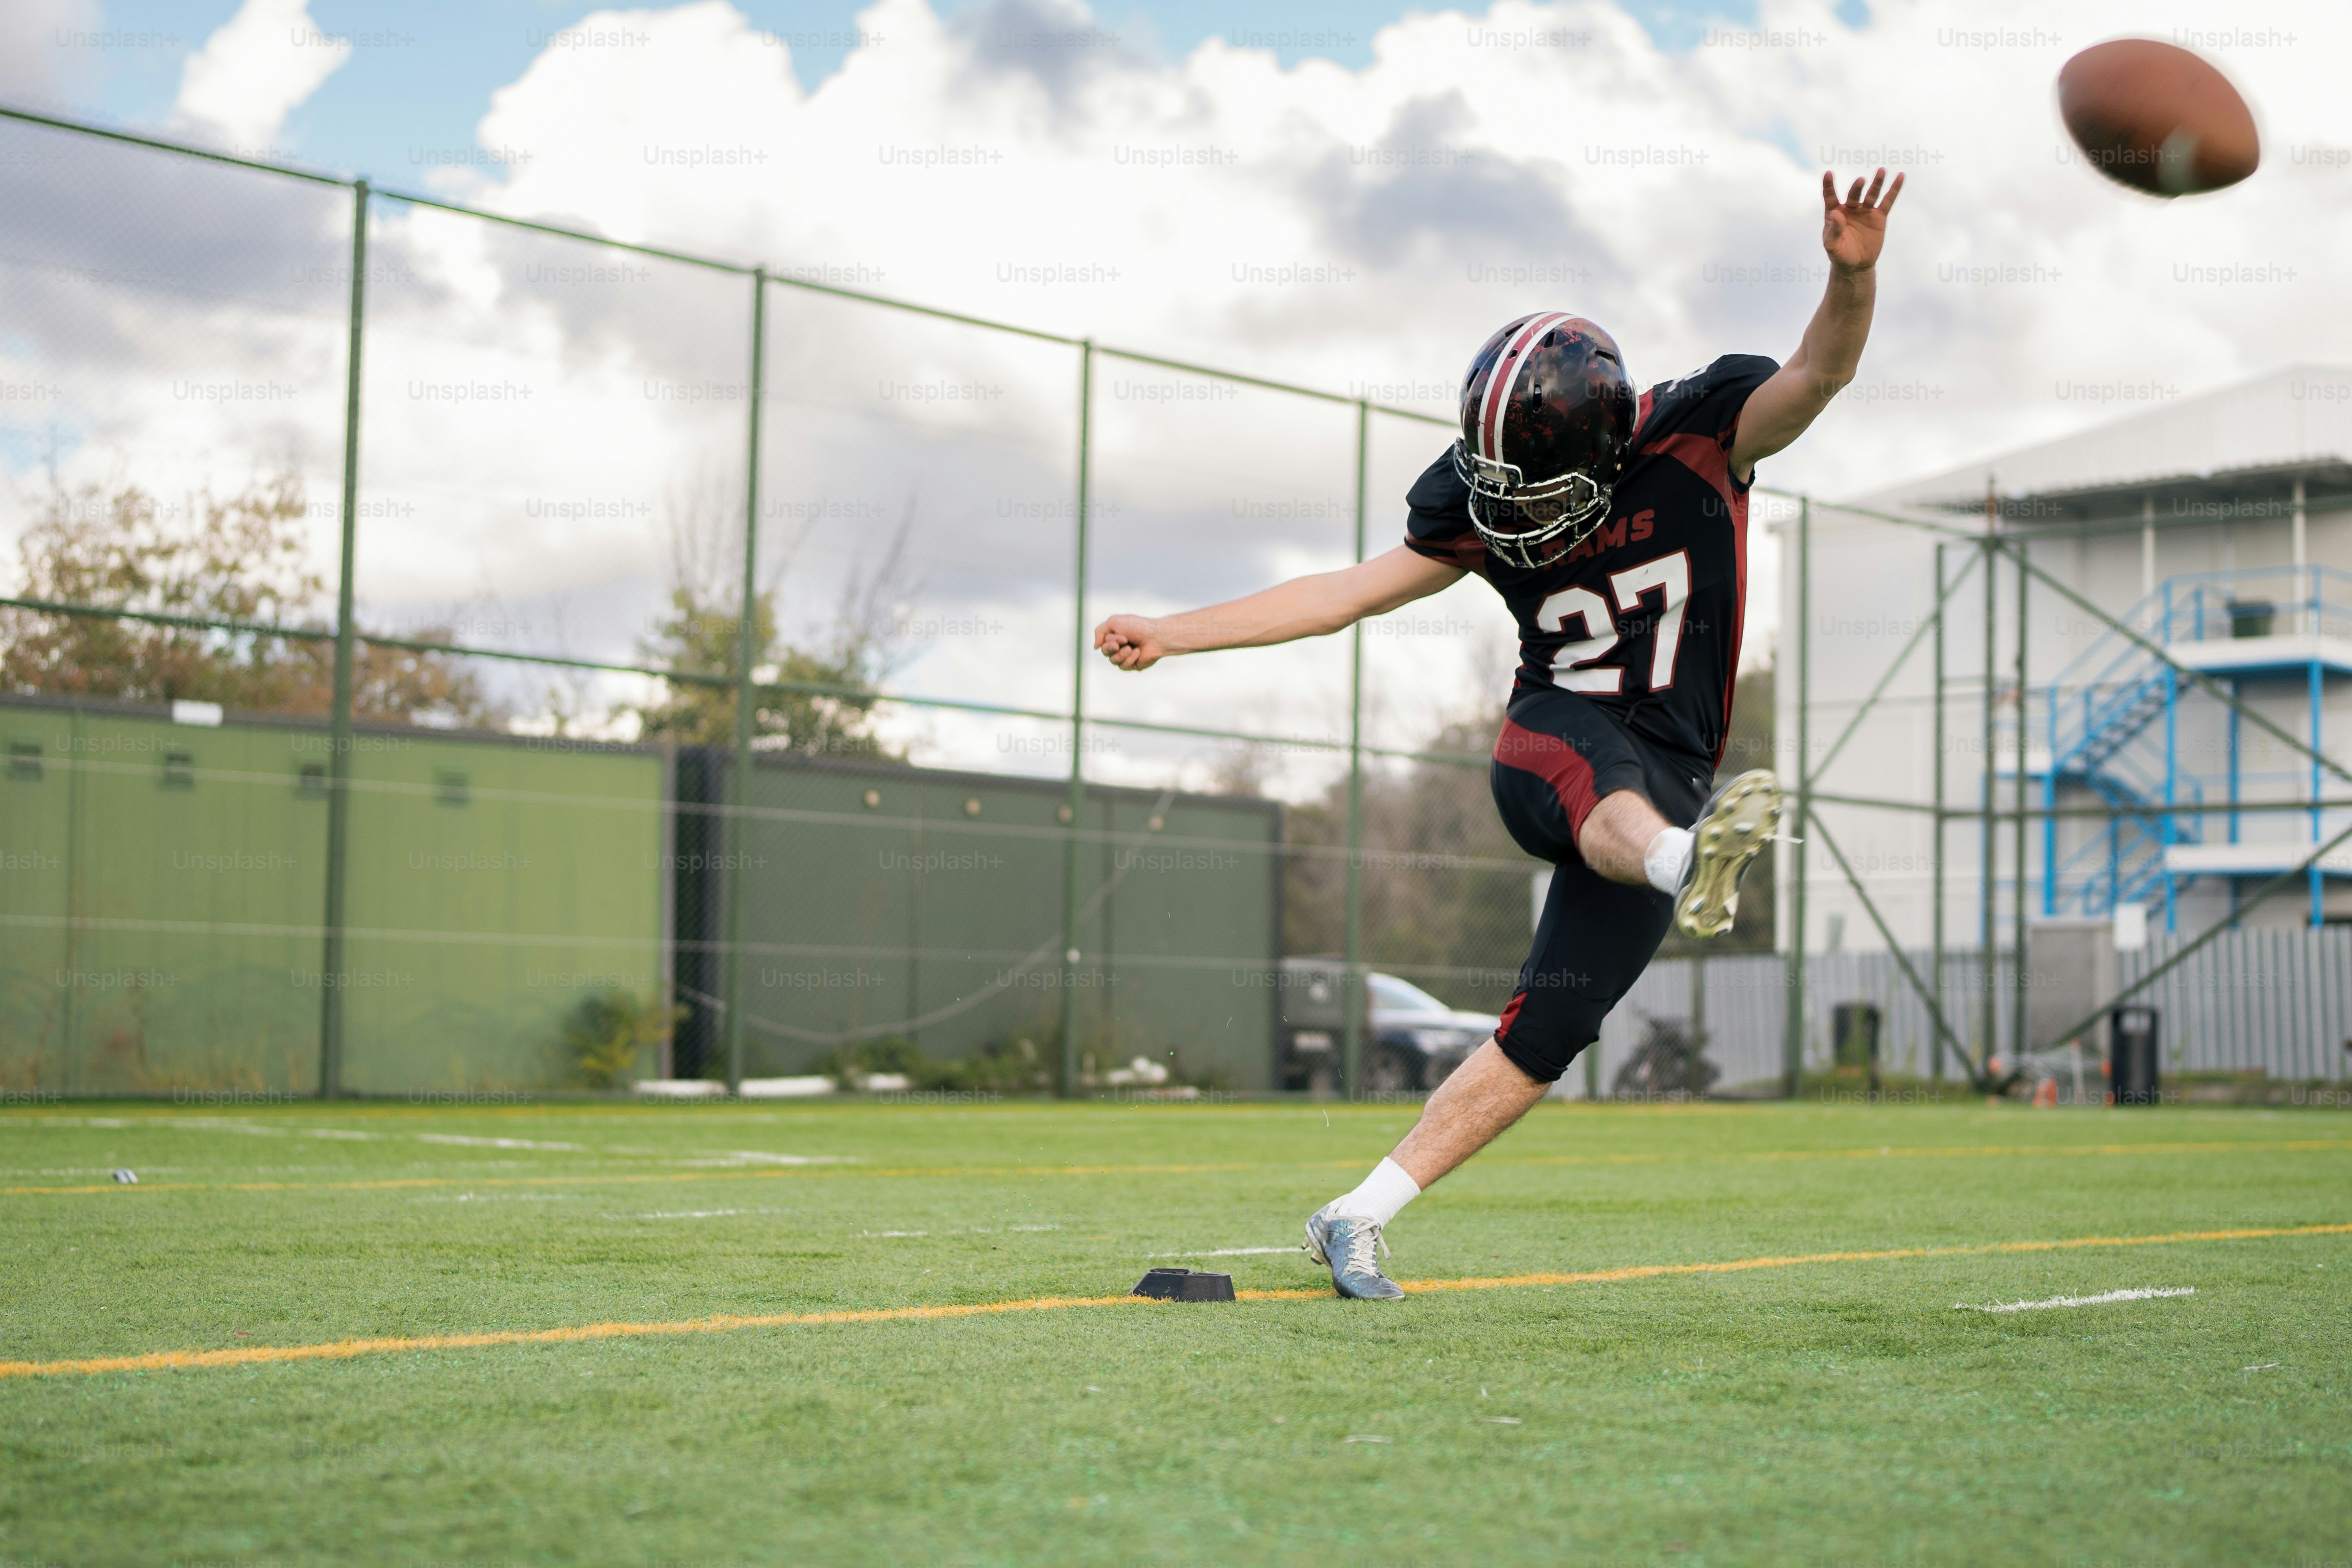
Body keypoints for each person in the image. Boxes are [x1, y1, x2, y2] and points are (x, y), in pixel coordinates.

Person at [1093, 168, 1904, 1298]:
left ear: (1609, 447)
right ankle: (1689, 860)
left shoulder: (1703, 431)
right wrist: (1174, 635)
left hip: (1675, 764)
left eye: (1529, 484)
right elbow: (1343, 594)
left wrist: (1848, 275)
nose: (1503, 507)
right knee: (1600, 768)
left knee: (1550, 1027)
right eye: (1491, 480)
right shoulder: (1481, 497)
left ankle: (1355, 1214)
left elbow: (1821, 371)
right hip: (1550, 739)